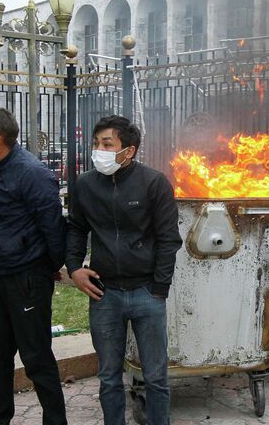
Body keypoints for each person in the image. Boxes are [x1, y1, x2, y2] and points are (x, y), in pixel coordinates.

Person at [66, 115, 183, 425]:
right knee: (108, 378)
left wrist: (159, 289)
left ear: (128, 151)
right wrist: (75, 268)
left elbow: (169, 239)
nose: (99, 150)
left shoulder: (153, 182)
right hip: (105, 294)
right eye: (96, 144)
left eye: (107, 144)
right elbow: (76, 229)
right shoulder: (86, 184)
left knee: (156, 377)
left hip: (147, 293)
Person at [0, 107, 68, 425]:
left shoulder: (33, 173)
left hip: (29, 276)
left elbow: (53, 227)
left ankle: (55, 420)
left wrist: (50, 266)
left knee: (36, 355)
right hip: (0, 272)